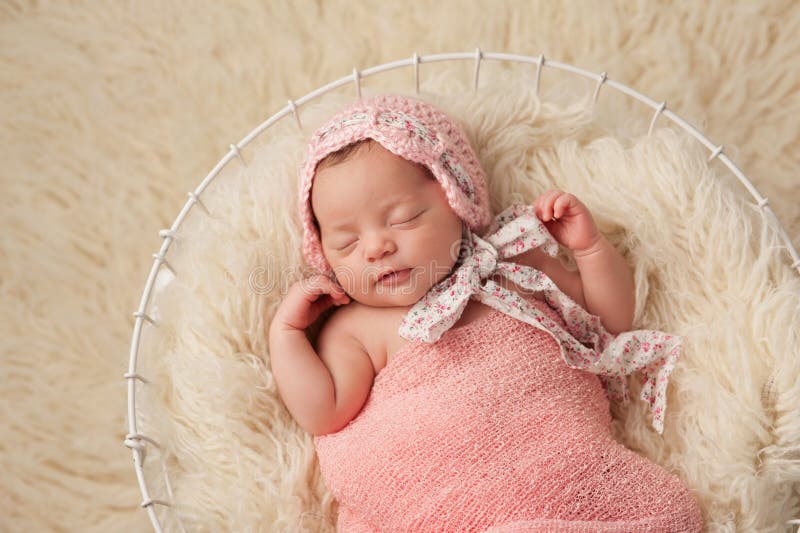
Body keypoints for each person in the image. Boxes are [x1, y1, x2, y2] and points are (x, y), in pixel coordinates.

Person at [269, 94, 703, 531]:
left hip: (559, 470)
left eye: (403, 218)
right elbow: (326, 412)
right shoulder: (356, 327)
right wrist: (286, 334)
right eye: (346, 243)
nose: (376, 247)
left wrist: (589, 250)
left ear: (457, 202)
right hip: (442, 496)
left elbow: (608, 322)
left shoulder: (514, 264)